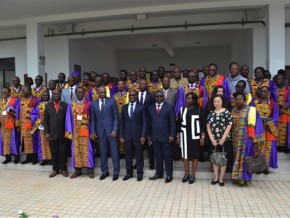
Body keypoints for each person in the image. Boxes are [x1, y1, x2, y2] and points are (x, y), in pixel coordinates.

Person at [231, 92, 264, 186]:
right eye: (236, 99)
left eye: (240, 99)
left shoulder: (251, 110)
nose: (238, 101)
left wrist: (257, 139)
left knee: (246, 158)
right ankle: (237, 178)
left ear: (245, 100)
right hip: (236, 139)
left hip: (247, 139)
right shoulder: (233, 111)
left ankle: (245, 179)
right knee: (237, 157)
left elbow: (258, 124)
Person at [90, 86, 120, 181]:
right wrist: (93, 131)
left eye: (104, 92)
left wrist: (115, 129)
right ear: (97, 93)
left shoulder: (111, 101)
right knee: (103, 153)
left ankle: (116, 172)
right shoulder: (93, 104)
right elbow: (93, 119)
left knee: (114, 152)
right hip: (100, 132)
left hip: (111, 131)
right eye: (101, 92)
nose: (103, 94)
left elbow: (116, 116)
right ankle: (104, 171)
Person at [65, 87, 95, 179]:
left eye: (82, 92)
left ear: (84, 93)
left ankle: (90, 170)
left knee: (87, 150)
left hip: (85, 130)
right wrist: (69, 131)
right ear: (76, 93)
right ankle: (77, 170)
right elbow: (68, 118)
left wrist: (92, 131)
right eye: (78, 92)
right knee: (76, 150)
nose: (80, 94)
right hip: (75, 131)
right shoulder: (71, 104)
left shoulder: (89, 104)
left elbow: (92, 118)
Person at [176, 92, 206, 184]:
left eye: (189, 98)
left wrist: (202, 137)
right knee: (185, 155)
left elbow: (203, 124)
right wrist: (178, 136)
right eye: (186, 98)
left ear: (194, 100)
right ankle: (186, 174)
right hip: (184, 135)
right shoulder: (182, 109)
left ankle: (193, 175)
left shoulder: (199, 110)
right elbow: (179, 124)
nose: (187, 100)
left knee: (194, 156)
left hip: (195, 136)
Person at [148, 91, 176, 183]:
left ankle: (169, 175)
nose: (159, 98)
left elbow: (173, 123)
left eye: (161, 96)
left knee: (167, 156)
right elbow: (149, 122)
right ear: (154, 98)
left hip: (166, 137)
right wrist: (149, 135)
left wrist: (172, 135)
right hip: (155, 137)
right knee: (158, 156)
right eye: (157, 96)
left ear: (163, 97)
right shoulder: (151, 108)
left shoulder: (169, 107)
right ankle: (158, 173)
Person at [120, 90, 147, 181]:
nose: (131, 96)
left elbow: (144, 122)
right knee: (128, 155)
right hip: (127, 136)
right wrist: (121, 136)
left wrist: (143, 135)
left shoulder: (141, 107)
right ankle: (129, 173)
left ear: (136, 96)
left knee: (139, 155)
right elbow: (122, 123)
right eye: (130, 95)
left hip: (138, 136)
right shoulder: (124, 107)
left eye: (133, 95)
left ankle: (140, 173)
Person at [207, 95, 233, 186]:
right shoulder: (211, 113)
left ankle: (221, 178)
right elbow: (208, 126)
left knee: (223, 159)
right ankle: (216, 177)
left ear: (222, 102)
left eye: (218, 101)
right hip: (214, 140)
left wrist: (223, 139)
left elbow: (229, 125)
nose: (216, 103)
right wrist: (211, 138)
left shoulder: (227, 112)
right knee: (215, 159)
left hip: (224, 140)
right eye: (215, 102)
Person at [253, 86, 279, 173]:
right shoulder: (254, 103)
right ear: (259, 92)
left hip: (268, 129)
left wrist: (269, 122)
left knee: (267, 148)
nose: (264, 93)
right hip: (257, 129)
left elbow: (275, 116)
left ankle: (265, 167)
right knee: (258, 147)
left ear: (268, 93)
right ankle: (258, 167)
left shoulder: (272, 103)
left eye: (265, 92)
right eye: (262, 91)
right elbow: (251, 116)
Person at [44, 89, 68, 178]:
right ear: (52, 95)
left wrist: (67, 132)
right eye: (54, 94)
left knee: (63, 152)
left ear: (60, 94)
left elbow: (67, 120)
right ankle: (55, 170)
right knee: (53, 152)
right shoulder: (48, 106)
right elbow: (45, 120)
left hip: (63, 134)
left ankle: (63, 169)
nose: (56, 95)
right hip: (52, 134)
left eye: (58, 93)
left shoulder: (65, 105)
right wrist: (46, 132)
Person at [0, 88, 20, 164]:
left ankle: (16, 157)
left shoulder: (14, 100)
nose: (3, 94)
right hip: (3, 125)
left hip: (11, 124)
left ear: (9, 93)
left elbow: (18, 112)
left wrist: (13, 113)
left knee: (13, 140)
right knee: (4, 141)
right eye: (2, 92)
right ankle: (7, 157)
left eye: (5, 92)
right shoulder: (1, 101)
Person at [20, 86, 39, 164]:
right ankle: (28, 157)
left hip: (31, 125)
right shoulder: (22, 100)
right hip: (23, 125)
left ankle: (34, 158)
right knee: (25, 142)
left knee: (33, 141)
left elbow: (37, 112)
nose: (22, 92)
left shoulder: (34, 100)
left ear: (28, 91)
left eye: (23, 91)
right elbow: (19, 112)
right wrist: (18, 124)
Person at [138, 79, 155, 169]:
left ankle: (152, 163)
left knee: (149, 145)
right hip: (137, 123)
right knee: (138, 146)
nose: (142, 85)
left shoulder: (151, 96)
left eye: (144, 84)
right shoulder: (134, 95)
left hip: (148, 122)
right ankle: (138, 163)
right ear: (138, 85)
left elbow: (153, 109)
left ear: (146, 85)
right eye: (141, 83)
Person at [31, 91, 51, 166]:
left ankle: (51, 159)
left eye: (47, 95)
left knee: (50, 143)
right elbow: (33, 115)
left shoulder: (52, 104)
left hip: (50, 127)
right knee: (42, 143)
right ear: (41, 97)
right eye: (44, 95)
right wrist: (40, 120)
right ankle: (44, 159)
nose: (45, 96)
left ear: (49, 96)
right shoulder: (38, 106)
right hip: (42, 127)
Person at [114, 80, 129, 158]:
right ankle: (120, 153)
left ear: (124, 85)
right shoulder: (114, 96)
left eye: (122, 84)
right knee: (118, 136)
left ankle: (127, 153)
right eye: (119, 84)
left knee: (126, 136)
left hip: (126, 120)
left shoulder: (128, 95)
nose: (120, 86)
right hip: (117, 119)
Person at [275, 73, 290, 152]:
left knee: (284, 130)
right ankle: (277, 146)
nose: (278, 80)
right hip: (277, 112)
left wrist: (286, 105)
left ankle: (285, 146)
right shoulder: (274, 89)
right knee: (277, 128)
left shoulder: (288, 89)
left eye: (280, 78)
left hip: (285, 112)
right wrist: (277, 109)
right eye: (277, 79)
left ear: (284, 79)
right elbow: (273, 101)